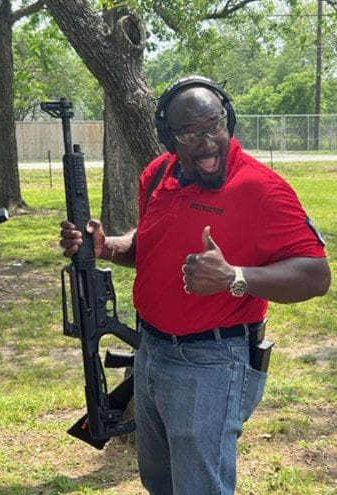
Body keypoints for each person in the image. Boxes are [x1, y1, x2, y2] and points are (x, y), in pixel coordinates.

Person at [60, 76, 331, 495]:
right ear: (169, 138)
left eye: (214, 126)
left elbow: (316, 275)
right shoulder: (157, 174)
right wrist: (107, 247)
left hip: (210, 361)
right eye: (190, 132)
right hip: (150, 349)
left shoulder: (261, 189)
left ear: (229, 121)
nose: (206, 142)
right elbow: (149, 244)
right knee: (160, 481)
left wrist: (235, 277)